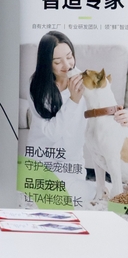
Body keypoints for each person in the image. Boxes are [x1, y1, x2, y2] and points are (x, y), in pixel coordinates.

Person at [25, 31, 91, 206]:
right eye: (57, 61)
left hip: (70, 164)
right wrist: (73, 101)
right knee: (43, 205)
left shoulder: (84, 81)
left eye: (69, 57)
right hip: (41, 162)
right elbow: (52, 133)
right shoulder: (37, 87)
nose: (67, 65)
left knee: (76, 201)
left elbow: (103, 111)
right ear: (47, 63)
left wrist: (120, 115)